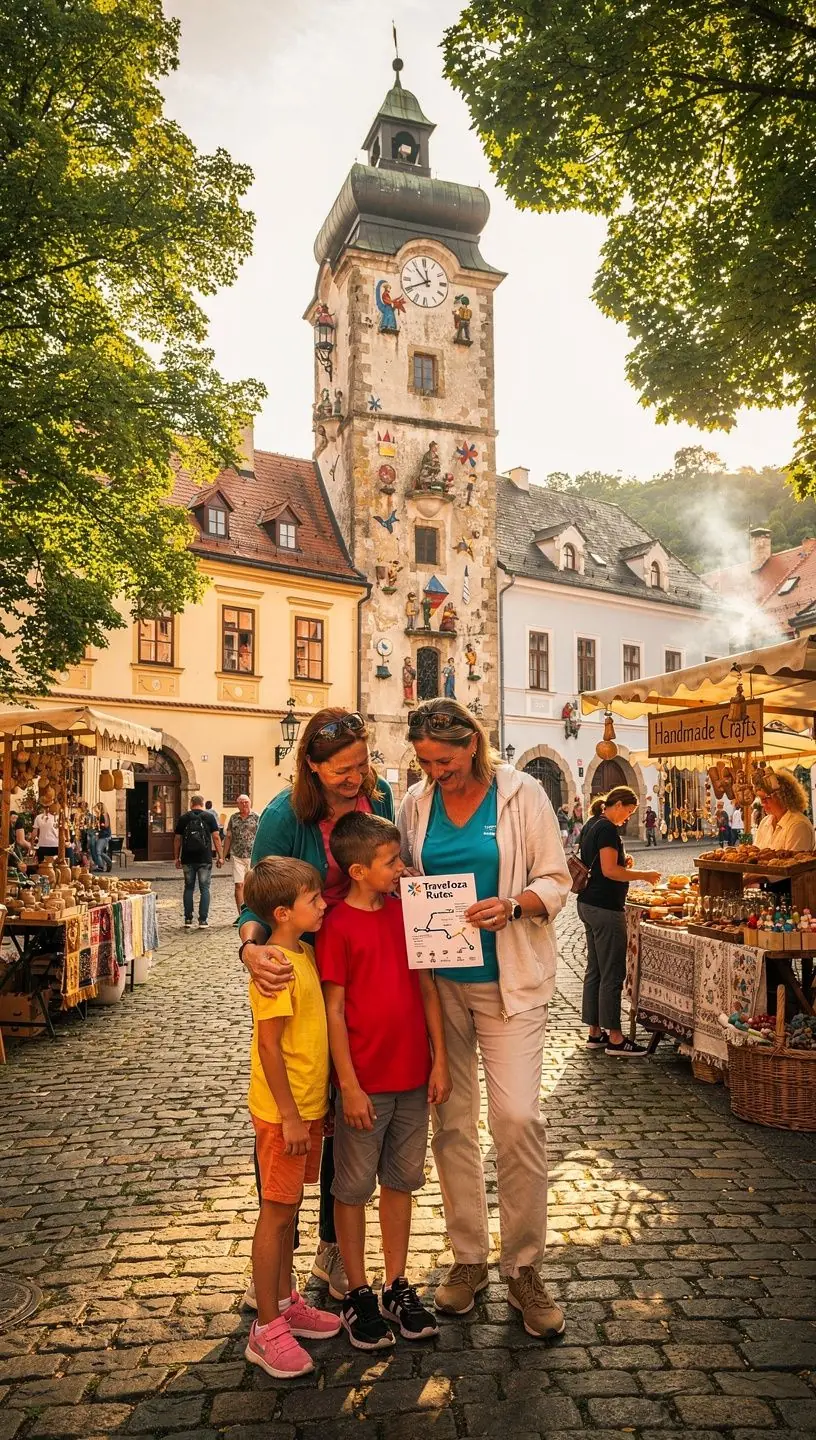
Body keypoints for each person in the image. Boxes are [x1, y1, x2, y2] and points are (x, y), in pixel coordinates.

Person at [398, 698, 571, 1339]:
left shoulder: (523, 794)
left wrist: (516, 905)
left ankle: (525, 1267)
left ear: (472, 743)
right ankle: (468, 1257)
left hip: (511, 981)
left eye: (443, 760)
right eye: (424, 763)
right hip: (441, 984)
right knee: (451, 1122)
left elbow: (557, 878)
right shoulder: (415, 803)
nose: (435, 772)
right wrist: (408, 883)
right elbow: (413, 872)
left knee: (519, 1117)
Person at [238, 708, 395, 1304]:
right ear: (312, 766)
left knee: (340, 1102)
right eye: (341, 770)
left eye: (361, 764)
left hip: (352, 968)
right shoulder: (284, 815)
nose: (356, 778)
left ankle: (333, 1244)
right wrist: (253, 951)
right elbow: (262, 898)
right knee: (287, 1112)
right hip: (295, 968)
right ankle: (276, 1263)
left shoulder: (371, 799)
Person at [317, 811, 450, 1350]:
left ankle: (397, 1284)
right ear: (357, 870)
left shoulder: (408, 915)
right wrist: (347, 1084)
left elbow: (428, 989)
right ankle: (357, 1292)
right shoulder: (336, 926)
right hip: (365, 1084)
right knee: (351, 1189)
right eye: (391, 861)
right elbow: (334, 1010)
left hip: (413, 1077)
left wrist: (439, 1058)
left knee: (401, 1182)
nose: (401, 868)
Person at [241, 857, 341, 1380]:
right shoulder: (276, 965)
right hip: (286, 1115)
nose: (324, 905)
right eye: (314, 900)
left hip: (306, 1109)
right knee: (276, 1214)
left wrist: (313, 1109)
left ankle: (284, 1300)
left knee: (290, 1207)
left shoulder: (301, 953)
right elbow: (270, 1049)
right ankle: (264, 1328)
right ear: (284, 912)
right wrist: (291, 1115)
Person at [577, 788, 661, 1058]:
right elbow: (610, 870)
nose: (627, 818)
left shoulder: (593, 823)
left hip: (588, 903)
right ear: (619, 804)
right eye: (628, 811)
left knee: (595, 970)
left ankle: (595, 1032)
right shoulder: (608, 829)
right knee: (612, 973)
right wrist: (644, 875)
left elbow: (604, 863)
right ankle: (615, 1037)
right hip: (605, 907)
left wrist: (625, 862)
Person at [174, 794, 223, 929]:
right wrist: (221, 856)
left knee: (189, 887)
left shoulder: (184, 818)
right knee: (204, 889)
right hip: (204, 859)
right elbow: (216, 837)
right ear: (202, 804)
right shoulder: (209, 817)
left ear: (191, 804)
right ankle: (203, 920)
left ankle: (188, 919)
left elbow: (177, 839)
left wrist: (176, 857)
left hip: (187, 858)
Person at [754, 768, 815, 852]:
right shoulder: (765, 822)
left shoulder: (798, 825)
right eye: (760, 798)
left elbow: (792, 863)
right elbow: (755, 854)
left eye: (765, 798)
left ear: (782, 796)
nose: (762, 803)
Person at [225, 795, 259, 922]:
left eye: (246, 802)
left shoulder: (256, 817)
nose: (244, 805)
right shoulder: (234, 818)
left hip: (252, 855)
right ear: (237, 805)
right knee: (239, 885)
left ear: (250, 803)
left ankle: (254, 913)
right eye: (241, 803)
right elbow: (228, 836)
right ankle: (241, 915)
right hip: (237, 855)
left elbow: (261, 835)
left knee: (252, 886)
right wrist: (224, 855)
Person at [95, 802, 113, 873]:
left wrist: (100, 825)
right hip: (103, 835)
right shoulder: (101, 815)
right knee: (100, 852)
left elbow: (106, 825)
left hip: (104, 835)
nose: (95, 810)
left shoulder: (104, 814)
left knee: (98, 851)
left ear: (99, 808)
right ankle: (108, 863)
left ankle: (101, 866)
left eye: (96, 808)